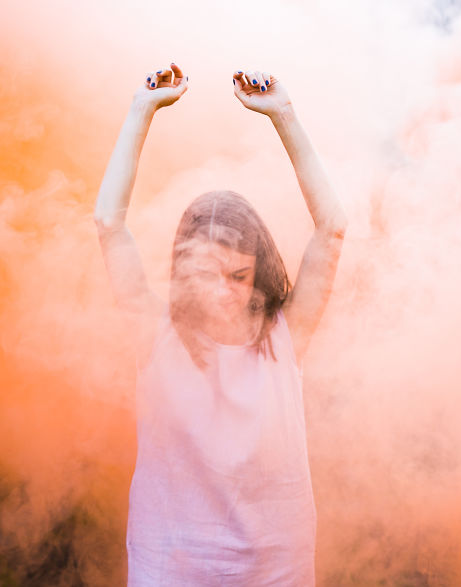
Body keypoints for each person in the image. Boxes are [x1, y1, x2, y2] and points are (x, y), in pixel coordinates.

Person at [94, 62, 348, 586]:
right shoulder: (154, 334)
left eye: (239, 275)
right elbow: (109, 223)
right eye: (208, 273)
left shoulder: (284, 336)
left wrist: (284, 114)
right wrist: (142, 109)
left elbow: (333, 228)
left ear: (259, 274)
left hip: (275, 566)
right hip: (171, 565)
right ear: (183, 269)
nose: (223, 291)